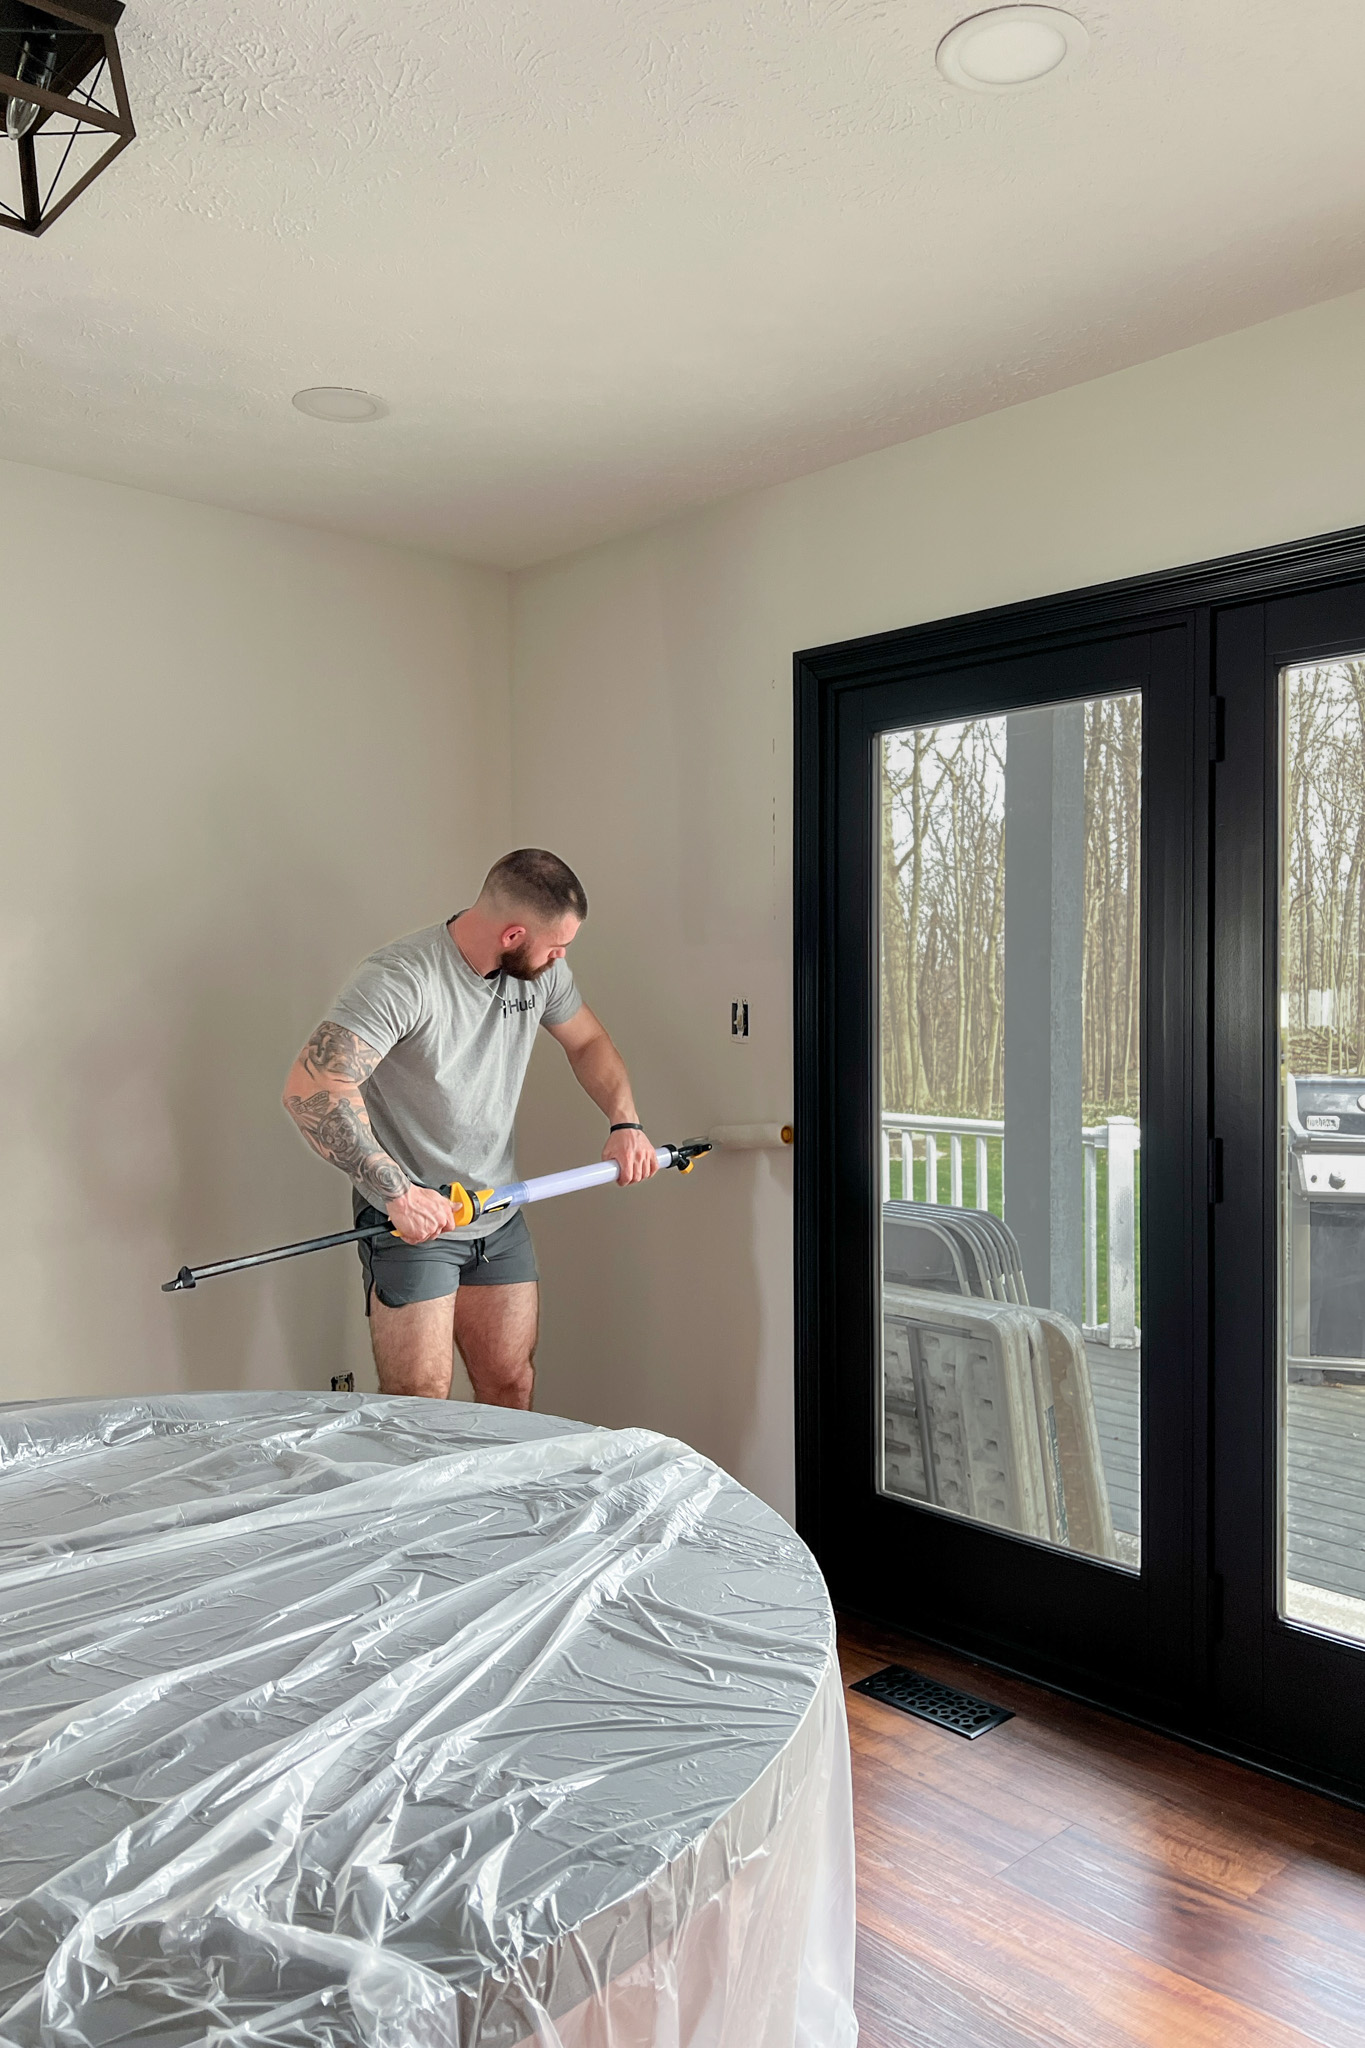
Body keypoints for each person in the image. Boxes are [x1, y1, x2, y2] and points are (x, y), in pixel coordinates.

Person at [282, 849, 656, 1409]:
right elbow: (312, 1089)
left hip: (498, 1210)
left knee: (511, 1384)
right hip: (413, 1221)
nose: (560, 958)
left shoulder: (543, 974)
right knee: (420, 1400)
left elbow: (588, 1042)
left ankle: (498, 1501)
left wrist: (625, 1121)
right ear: (512, 936)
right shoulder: (402, 979)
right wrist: (396, 1192)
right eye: (556, 945)